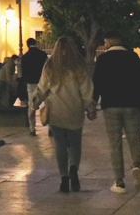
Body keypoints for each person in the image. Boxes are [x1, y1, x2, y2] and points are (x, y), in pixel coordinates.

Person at [32, 37, 96, 193]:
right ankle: (74, 169)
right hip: (75, 111)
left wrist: (34, 103)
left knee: (60, 146)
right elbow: (86, 90)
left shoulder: (50, 66)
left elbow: (41, 88)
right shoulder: (79, 67)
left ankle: (64, 178)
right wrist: (90, 107)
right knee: (75, 144)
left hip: (56, 112)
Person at [92, 30, 140, 193]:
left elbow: (97, 82)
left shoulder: (102, 59)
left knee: (114, 143)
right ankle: (136, 165)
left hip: (111, 105)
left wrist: (93, 104)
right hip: (132, 104)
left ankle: (119, 182)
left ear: (108, 42)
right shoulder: (133, 57)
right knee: (134, 138)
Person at [21, 38, 48, 136]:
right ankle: (51, 128)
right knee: (47, 104)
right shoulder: (43, 54)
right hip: (43, 82)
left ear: (27, 45)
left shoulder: (25, 57)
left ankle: (32, 129)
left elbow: (23, 73)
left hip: (31, 83)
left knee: (32, 106)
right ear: (35, 43)